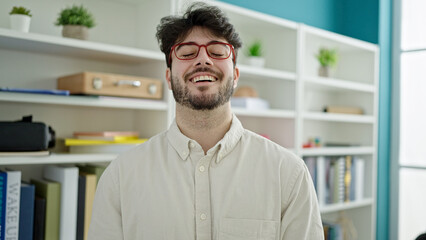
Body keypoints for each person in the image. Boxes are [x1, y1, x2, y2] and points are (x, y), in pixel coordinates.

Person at [88, 2, 324, 240]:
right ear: (169, 78)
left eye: (218, 51)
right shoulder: (120, 177)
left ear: (235, 76)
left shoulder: (289, 175)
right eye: (187, 52)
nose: (203, 59)